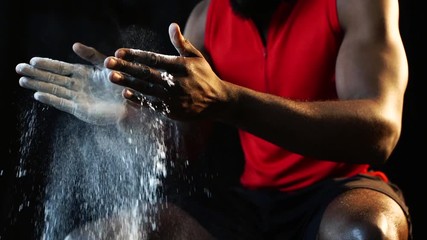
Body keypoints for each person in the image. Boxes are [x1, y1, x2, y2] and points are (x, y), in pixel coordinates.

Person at [16, 0, 413, 239]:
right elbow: (181, 146)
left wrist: (227, 101)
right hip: (249, 203)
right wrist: (129, 116)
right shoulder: (206, 19)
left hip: (337, 192)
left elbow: (379, 130)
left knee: (366, 231)